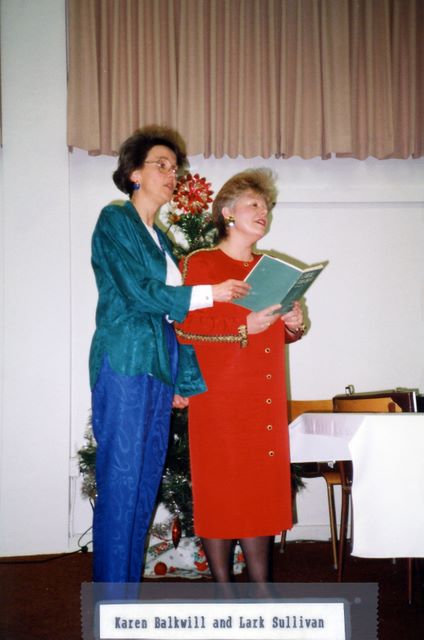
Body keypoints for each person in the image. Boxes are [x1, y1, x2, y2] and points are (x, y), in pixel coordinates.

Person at [89, 125, 249, 583]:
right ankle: (110, 604)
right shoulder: (115, 219)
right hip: (125, 362)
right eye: (161, 165)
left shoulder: (160, 240)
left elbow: (172, 320)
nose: (171, 174)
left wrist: (182, 380)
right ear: (134, 174)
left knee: (143, 489)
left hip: (158, 369)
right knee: (121, 486)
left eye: (175, 167)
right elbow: (139, 293)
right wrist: (211, 292)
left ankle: (124, 599)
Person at [175, 168, 305, 583]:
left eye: (266, 206)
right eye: (254, 204)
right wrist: (242, 326)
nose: (263, 211)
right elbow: (184, 326)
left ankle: (262, 588)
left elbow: (275, 332)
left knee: (259, 490)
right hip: (220, 397)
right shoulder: (201, 263)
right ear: (227, 213)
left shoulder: (270, 268)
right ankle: (224, 590)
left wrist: (293, 324)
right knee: (221, 490)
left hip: (263, 395)